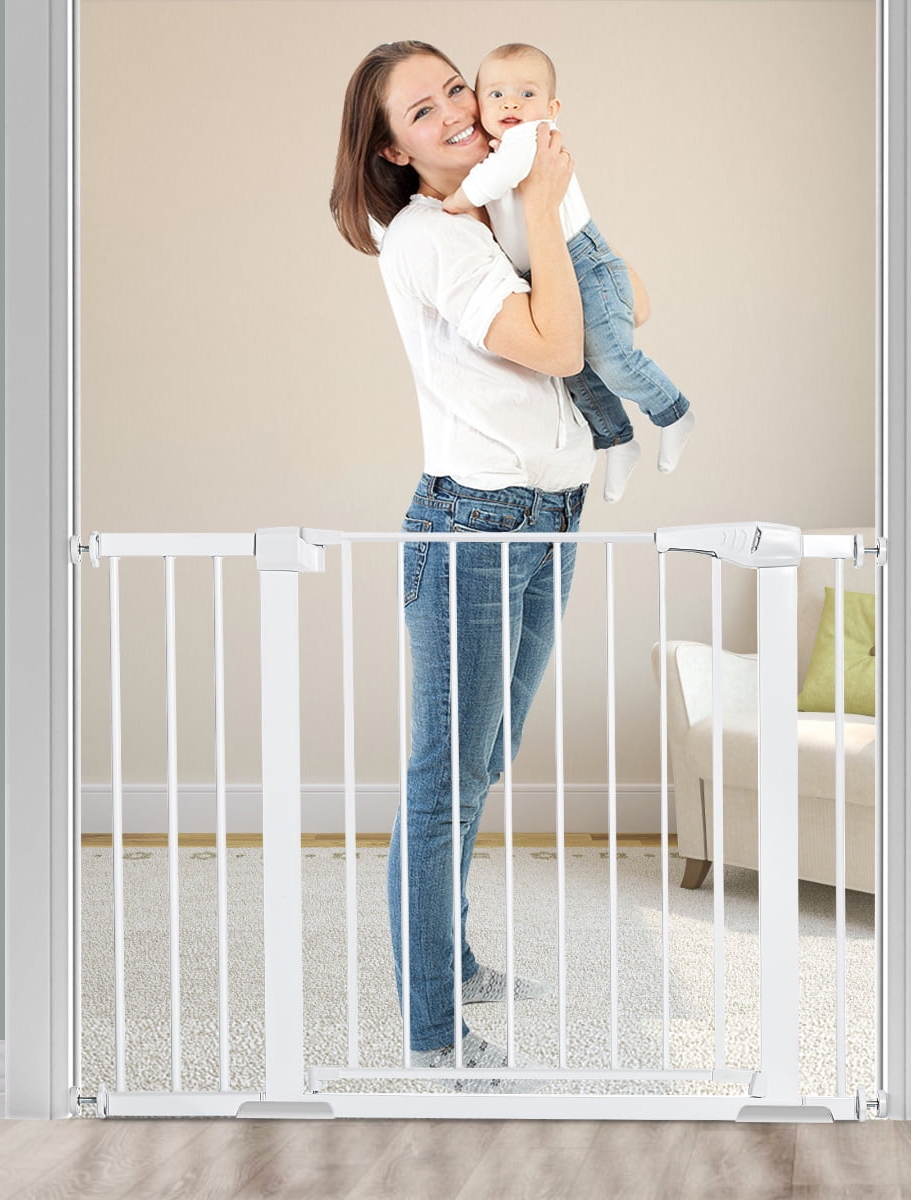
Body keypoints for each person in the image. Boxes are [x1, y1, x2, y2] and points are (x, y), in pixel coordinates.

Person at [331, 41, 594, 1091]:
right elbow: (561, 346)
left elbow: (626, 309)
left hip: (544, 519)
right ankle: (435, 1036)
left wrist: (537, 200)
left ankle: (461, 961)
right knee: (445, 780)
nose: (455, 110)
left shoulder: (490, 212)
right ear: (392, 150)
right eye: (421, 108)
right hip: (472, 530)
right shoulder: (430, 240)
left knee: (485, 757)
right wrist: (547, 189)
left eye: (456, 88)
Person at [442, 43, 694, 503]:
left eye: (526, 93)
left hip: (583, 260)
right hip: (542, 270)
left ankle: (673, 411)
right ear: (479, 104)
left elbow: (496, 179)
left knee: (613, 360)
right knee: (576, 374)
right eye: (496, 95)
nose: (511, 104)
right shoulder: (497, 149)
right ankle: (617, 441)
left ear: (551, 108)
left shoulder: (531, 139)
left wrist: (458, 202)